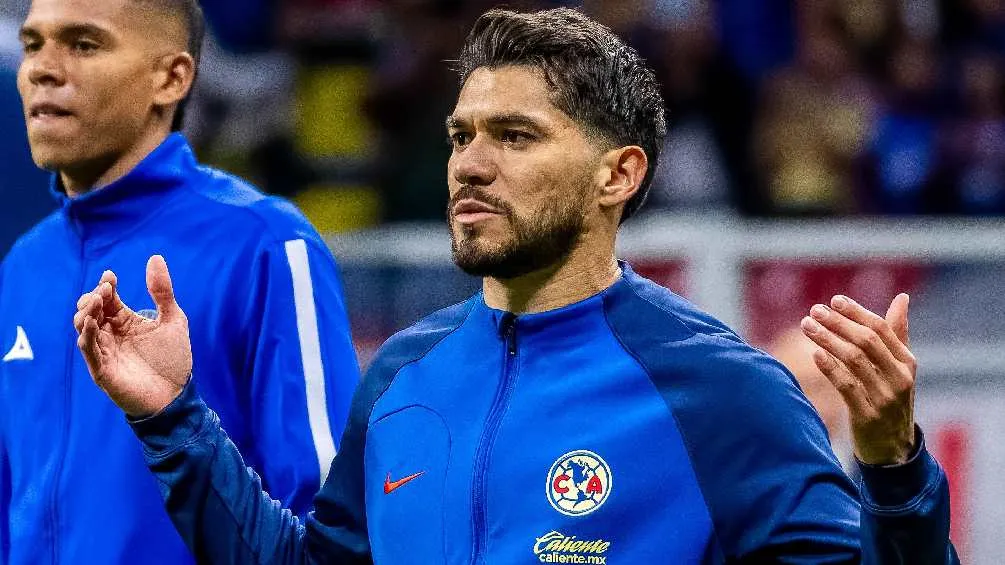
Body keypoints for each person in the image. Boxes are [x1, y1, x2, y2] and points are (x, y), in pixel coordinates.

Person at [72, 8, 958, 563]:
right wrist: (172, 419)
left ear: (618, 174)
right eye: (462, 136)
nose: (471, 165)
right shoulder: (401, 376)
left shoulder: (720, 393)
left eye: (516, 136)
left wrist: (892, 470)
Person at [0, 0, 360, 563]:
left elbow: (327, 526)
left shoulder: (266, 243)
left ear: (170, 78)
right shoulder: (22, 265)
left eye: (84, 44)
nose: (44, 68)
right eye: (33, 44)